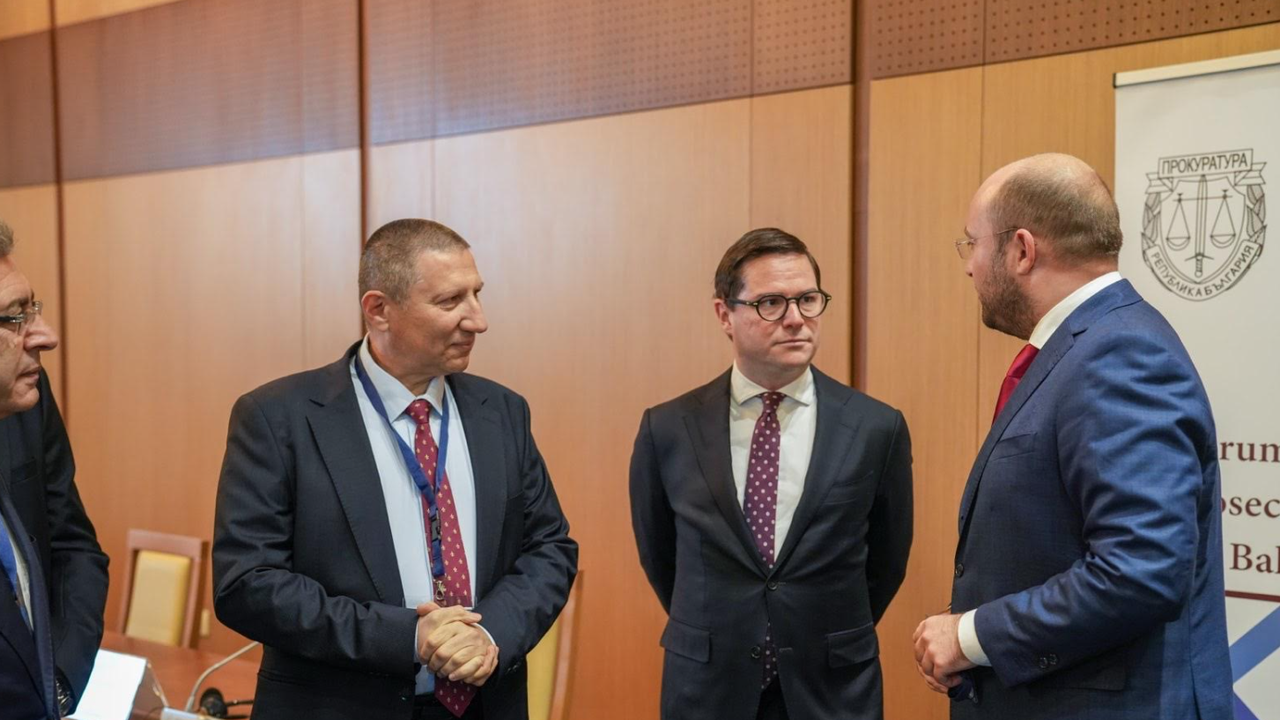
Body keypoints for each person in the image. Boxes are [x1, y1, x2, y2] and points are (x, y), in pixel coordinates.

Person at [213, 218, 578, 720]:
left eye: (477, 294)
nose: (478, 320)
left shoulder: (502, 412)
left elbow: (550, 549)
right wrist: (406, 637)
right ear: (379, 310)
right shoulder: (279, 418)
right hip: (338, 707)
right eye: (450, 301)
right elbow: (247, 584)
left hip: (486, 705)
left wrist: (489, 633)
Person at [913, 153, 1232, 719]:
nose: (969, 267)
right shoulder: (1088, 345)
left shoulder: (1120, 354)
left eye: (972, 243)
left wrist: (973, 635)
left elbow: (1141, 571)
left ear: (1022, 250)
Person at [630, 228, 913, 720]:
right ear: (725, 315)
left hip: (832, 690)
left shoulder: (876, 428)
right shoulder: (668, 428)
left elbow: (886, 562)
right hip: (708, 689)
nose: (796, 318)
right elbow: (661, 557)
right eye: (771, 304)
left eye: (808, 299)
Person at [0, 220, 109, 720]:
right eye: (14, 318)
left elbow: (74, 548)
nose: (46, 336)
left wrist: (58, 682)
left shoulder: (26, 402)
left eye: (33, 310)